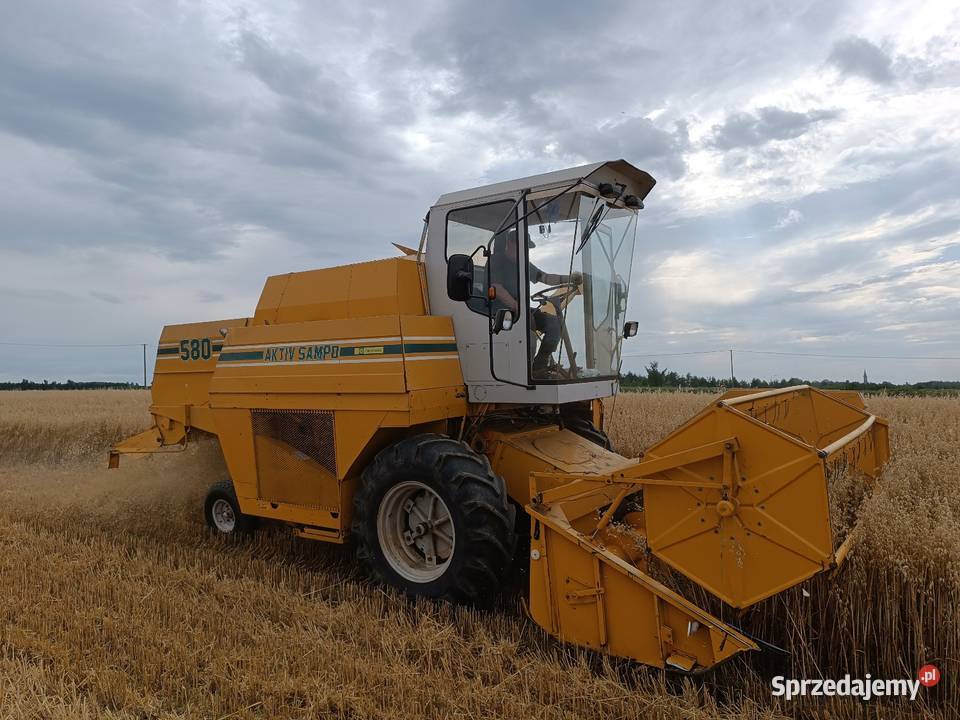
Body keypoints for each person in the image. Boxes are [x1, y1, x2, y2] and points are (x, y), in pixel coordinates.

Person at [488, 229, 581, 377]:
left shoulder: (524, 264)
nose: (526, 250)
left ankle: (539, 366)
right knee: (529, 326)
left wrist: (570, 278)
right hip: (499, 311)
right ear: (511, 243)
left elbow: (545, 277)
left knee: (554, 324)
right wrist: (518, 308)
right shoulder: (496, 260)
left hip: (521, 310)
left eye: (527, 248)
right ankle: (526, 370)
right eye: (524, 246)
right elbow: (497, 289)